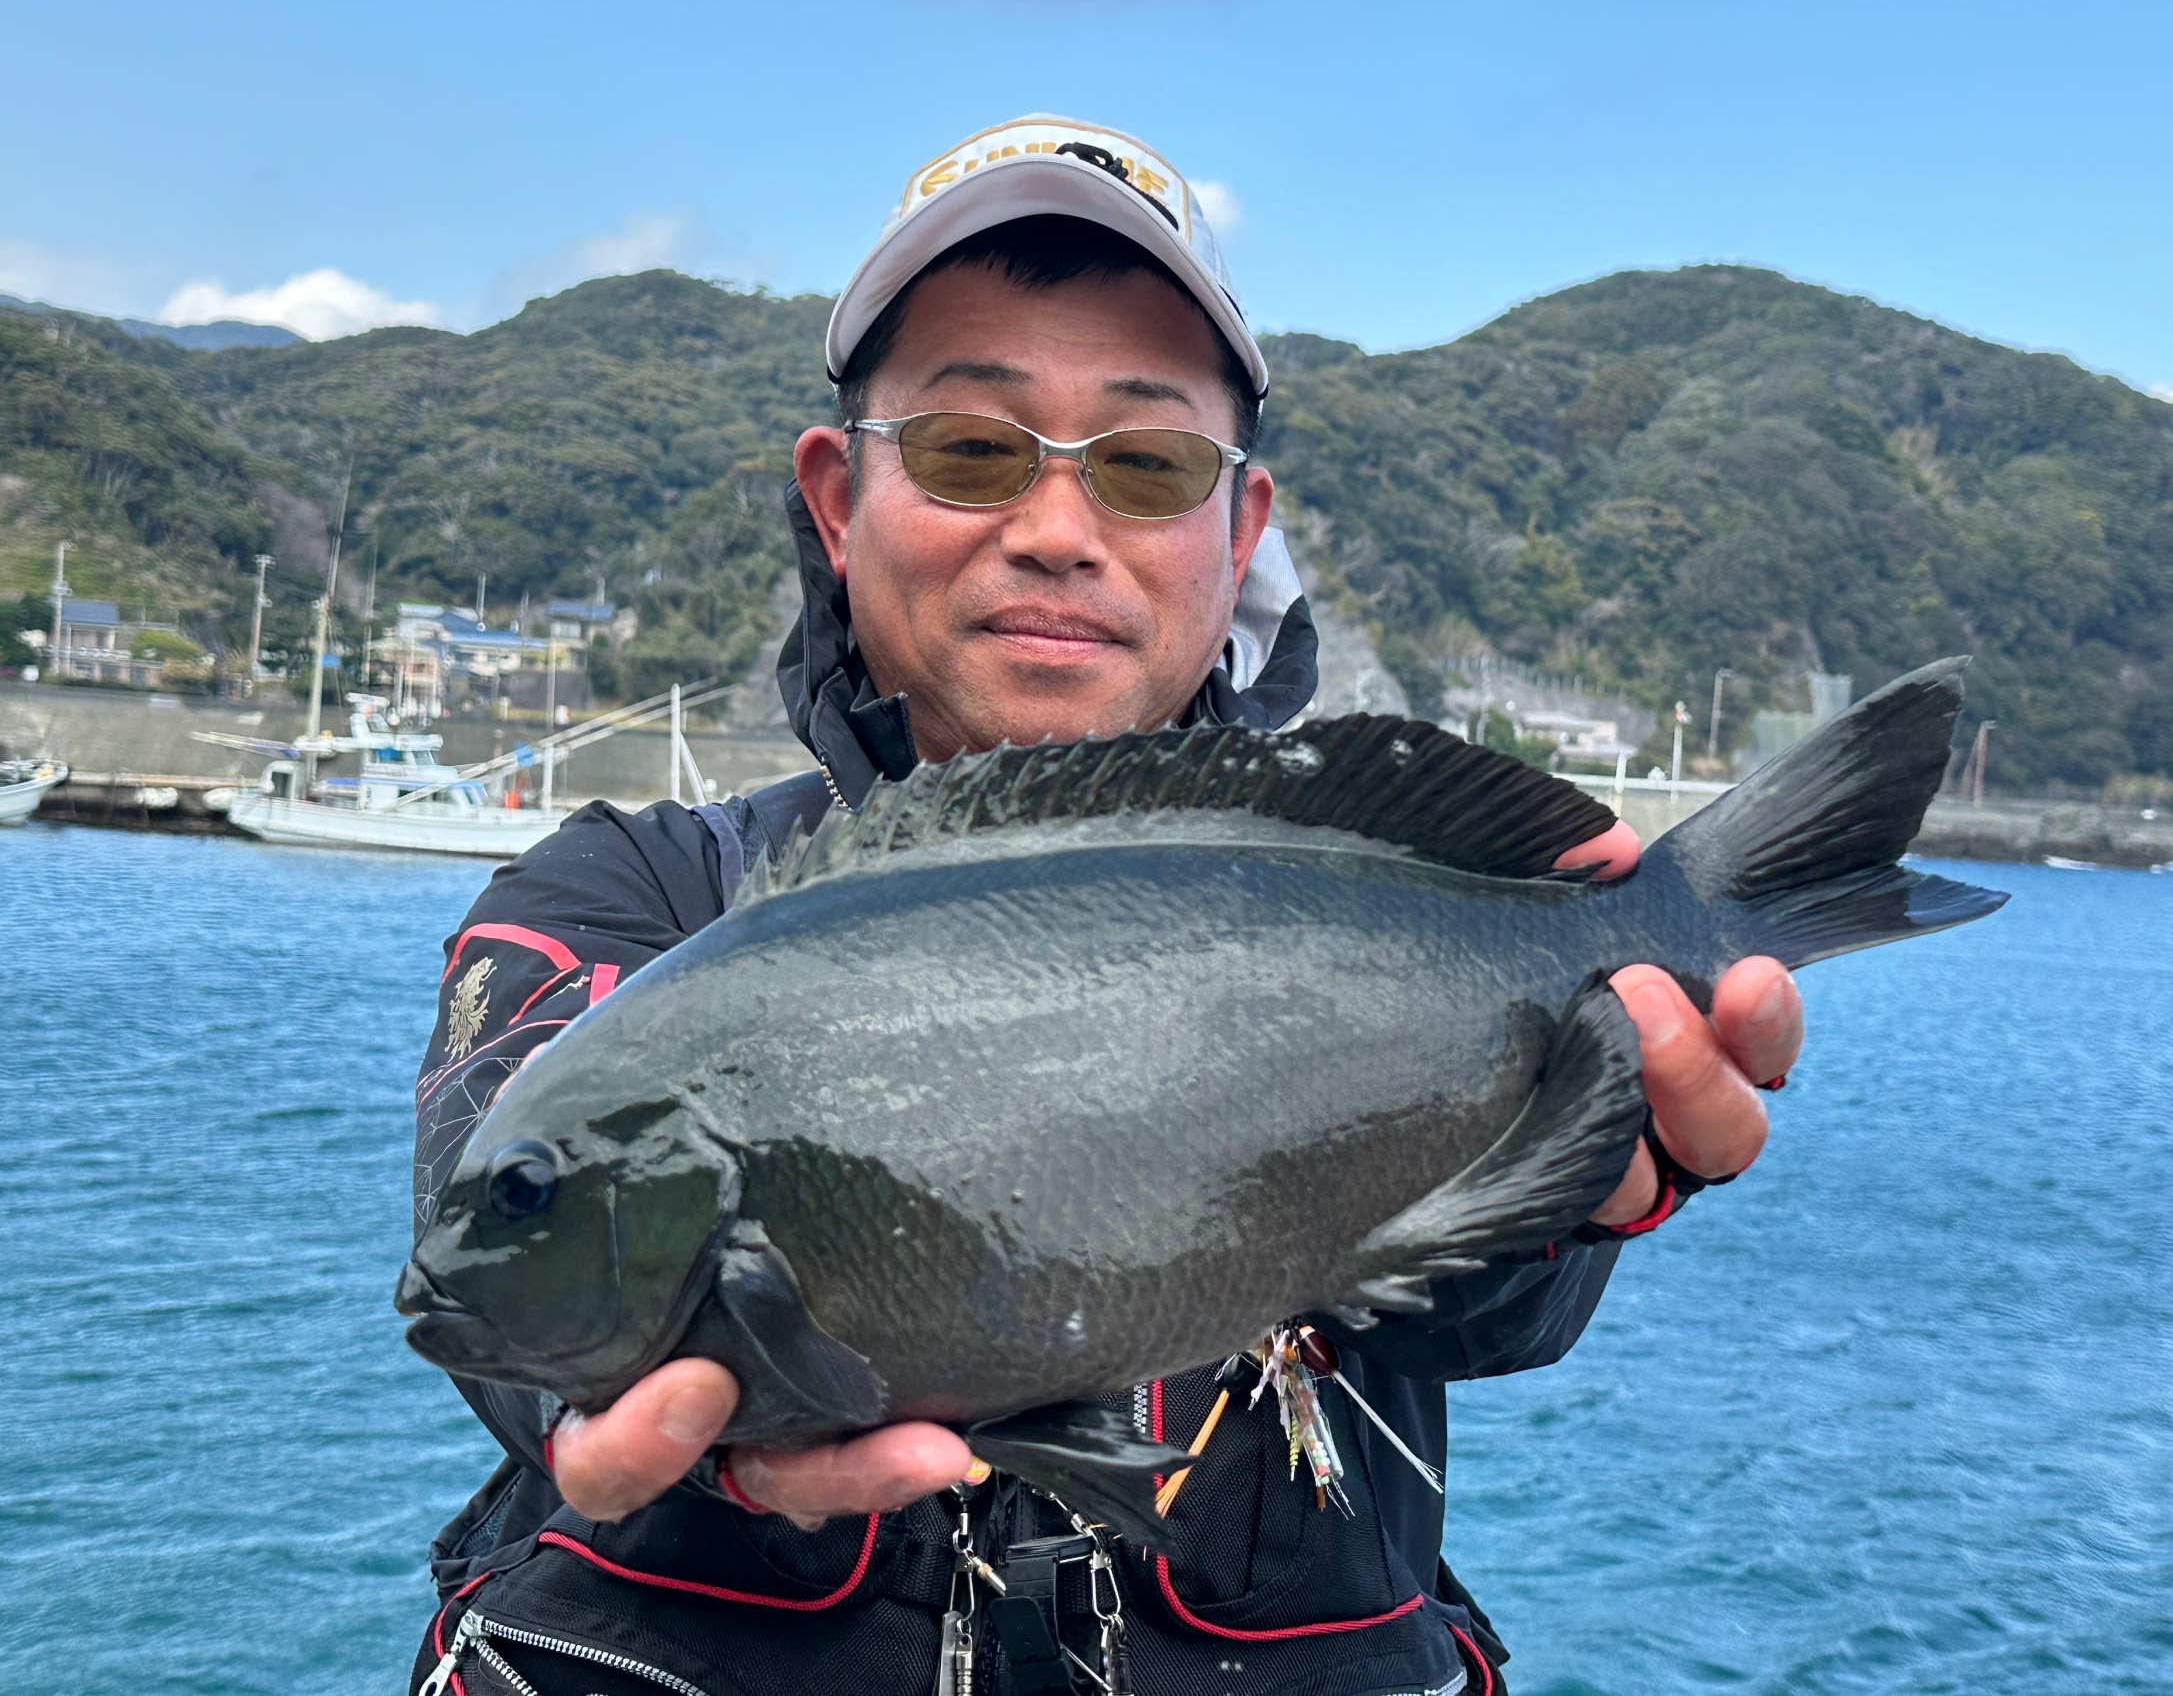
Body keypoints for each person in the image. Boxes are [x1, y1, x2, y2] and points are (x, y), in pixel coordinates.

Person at [410, 116, 1801, 1696]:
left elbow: (1483, 1309)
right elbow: (497, 1200)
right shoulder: (630, 894)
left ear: (1241, 529)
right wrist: (623, 1413)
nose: (1058, 531)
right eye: (969, 450)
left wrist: (1578, 1174)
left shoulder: (1371, 886)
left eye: (1146, 467)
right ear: (837, 499)